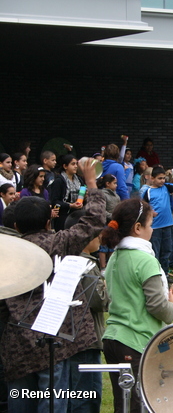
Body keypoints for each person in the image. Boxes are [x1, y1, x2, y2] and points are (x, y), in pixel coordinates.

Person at [1, 158, 104, 413]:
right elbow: (94, 220)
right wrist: (90, 182)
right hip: (53, 343)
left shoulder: (7, 253)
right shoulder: (58, 243)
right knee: (52, 404)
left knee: (20, 402)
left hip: (17, 346)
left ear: (16, 226)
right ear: (49, 222)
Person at [101, 199, 173, 413]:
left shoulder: (115, 257)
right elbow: (157, 307)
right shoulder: (145, 260)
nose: (152, 229)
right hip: (135, 341)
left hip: (113, 338)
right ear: (138, 228)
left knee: (122, 404)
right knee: (139, 406)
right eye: (150, 225)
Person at [64, 211, 109, 413]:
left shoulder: (65, 258)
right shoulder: (86, 263)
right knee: (87, 394)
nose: (100, 237)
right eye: (96, 234)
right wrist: (108, 286)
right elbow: (98, 300)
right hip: (86, 338)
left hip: (70, 337)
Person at [141, 166, 173, 276]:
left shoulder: (166, 187)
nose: (162, 180)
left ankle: (165, 274)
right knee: (155, 251)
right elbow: (143, 206)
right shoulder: (148, 191)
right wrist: (150, 212)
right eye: (159, 178)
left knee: (167, 251)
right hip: (155, 227)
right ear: (152, 178)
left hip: (168, 224)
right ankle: (155, 273)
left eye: (163, 178)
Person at [50, 154, 84, 231]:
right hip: (63, 217)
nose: (76, 166)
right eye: (73, 164)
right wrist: (70, 205)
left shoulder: (79, 180)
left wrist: (84, 197)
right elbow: (54, 201)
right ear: (65, 166)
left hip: (77, 216)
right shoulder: (59, 181)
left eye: (76, 164)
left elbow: (82, 196)